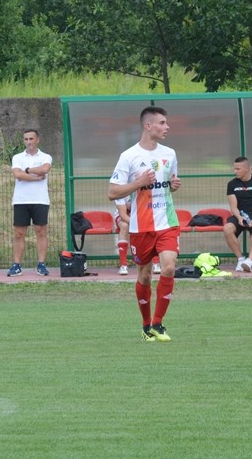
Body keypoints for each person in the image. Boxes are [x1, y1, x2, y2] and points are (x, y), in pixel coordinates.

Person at [108, 106, 181, 342]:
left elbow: (169, 182)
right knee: (145, 276)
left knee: (169, 267)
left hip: (167, 222)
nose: (167, 127)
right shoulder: (128, 156)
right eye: (162, 123)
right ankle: (145, 325)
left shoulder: (169, 153)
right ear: (148, 126)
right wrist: (138, 183)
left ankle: (158, 324)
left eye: (166, 123)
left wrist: (173, 184)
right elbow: (112, 192)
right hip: (141, 228)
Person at [8, 129, 52, 277]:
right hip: (21, 200)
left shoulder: (46, 156)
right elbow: (17, 174)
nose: (29, 142)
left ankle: (41, 264)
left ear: (37, 140)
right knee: (19, 234)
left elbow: (45, 169)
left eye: (31, 139)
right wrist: (36, 177)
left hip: (40, 200)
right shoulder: (17, 157)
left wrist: (27, 170)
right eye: (26, 139)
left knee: (41, 232)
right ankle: (16, 265)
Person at [224, 157, 252, 273]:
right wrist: (239, 217)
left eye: (238, 169)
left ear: (247, 168)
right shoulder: (232, 184)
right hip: (240, 214)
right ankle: (240, 259)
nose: (235, 171)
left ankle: (249, 262)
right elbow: (233, 206)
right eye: (234, 169)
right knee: (227, 228)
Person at [114, 197, 162, 276]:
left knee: (152, 226)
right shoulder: (122, 187)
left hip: (141, 214)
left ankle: (156, 263)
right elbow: (123, 215)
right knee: (124, 226)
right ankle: (123, 265)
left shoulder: (144, 189)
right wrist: (137, 223)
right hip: (125, 215)